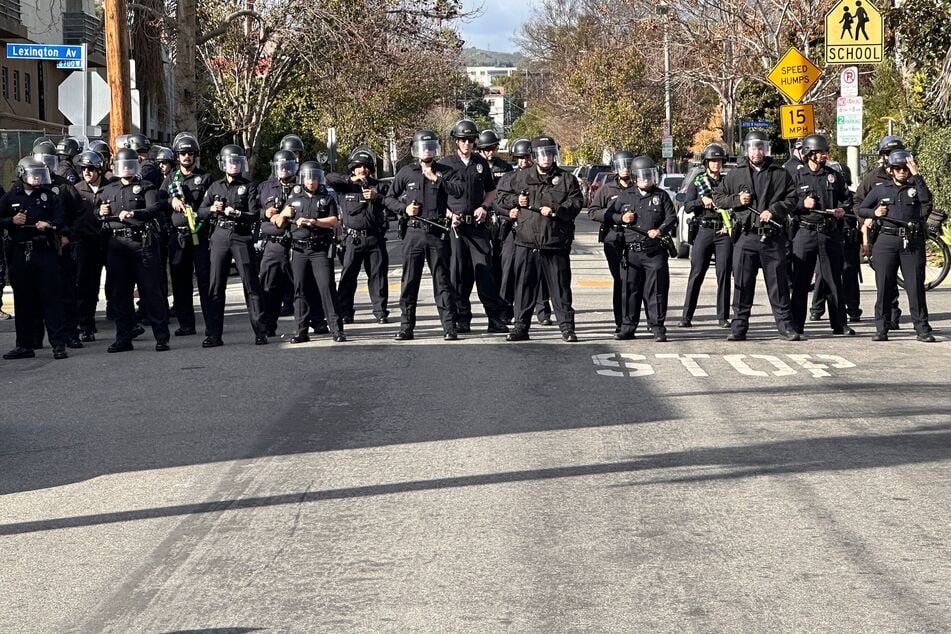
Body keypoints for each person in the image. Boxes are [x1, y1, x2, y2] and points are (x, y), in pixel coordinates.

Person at [713, 130, 799, 341]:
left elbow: (792, 198)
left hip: (772, 237)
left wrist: (776, 210)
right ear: (746, 150)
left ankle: (786, 327)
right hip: (746, 236)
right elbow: (718, 198)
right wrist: (737, 200)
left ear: (766, 149)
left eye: (760, 147)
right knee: (742, 283)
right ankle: (738, 327)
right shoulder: (736, 173)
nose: (757, 152)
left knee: (778, 285)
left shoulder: (779, 173)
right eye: (753, 147)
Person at [497, 135, 583, 342]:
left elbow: (577, 203)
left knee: (560, 289)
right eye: (542, 154)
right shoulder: (519, 177)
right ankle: (521, 327)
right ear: (534, 156)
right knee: (524, 287)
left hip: (555, 243)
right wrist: (515, 200)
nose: (547, 158)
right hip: (526, 242)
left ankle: (567, 328)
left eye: (550, 153)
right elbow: (500, 197)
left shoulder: (566, 178)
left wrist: (555, 210)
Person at [384, 129, 465, 341]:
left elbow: (458, 191)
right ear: (415, 150)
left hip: (437, 233)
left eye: (430, 147)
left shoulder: (445, 170)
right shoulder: (407, 172)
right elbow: (389, 198)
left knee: (442, 280)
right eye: (423, 148)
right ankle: (406, 327)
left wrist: (436, 179)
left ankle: (449, 327)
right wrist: (404, 209)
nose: (427, 151)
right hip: (413, 232)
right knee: (410, 281)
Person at [96, 148, 171, 352]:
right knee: (120, 294)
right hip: (117, 246)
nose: (126, 169)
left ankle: (161, 337)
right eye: (123, 165)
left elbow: (154, 208)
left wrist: (134, 213)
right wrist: (100, 211)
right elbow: (97, 213)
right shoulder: (108, 190)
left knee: (150, 291)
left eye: (130, 165)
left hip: (141, 244)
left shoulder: (146, 187)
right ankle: (124, 337)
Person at [858, 150, 937, 342]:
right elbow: (861, 208)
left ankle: (922, 329)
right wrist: (875, 213)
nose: (902, 171)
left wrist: (917, 174)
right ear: (891, 170)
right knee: (884, 286)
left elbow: (927, 199)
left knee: (915, 286)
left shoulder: (916, 187)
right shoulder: (880, 189)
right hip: (886, 241)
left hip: (911, 242)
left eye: (905, 168)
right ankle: (881, 328)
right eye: (898, 168)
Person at [439, 119, 509, 334]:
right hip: (456, 228)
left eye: (470, 140)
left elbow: (491, 190)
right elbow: (436, 195)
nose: (467, 143)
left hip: (477, 226)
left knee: (485, 272)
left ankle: (494, 319)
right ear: (456, 141)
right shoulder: (445, 164)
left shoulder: (480, 163)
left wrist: (485, 207)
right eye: (463, 140)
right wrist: (449, 214)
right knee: (458, 274)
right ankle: (462, 318)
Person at [198, 144, 269, 347]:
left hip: (241, 236)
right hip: (220, 234)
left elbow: (254, 215)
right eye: (231, 162)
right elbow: (200, 211)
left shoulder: (249, 186)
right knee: (215, 286)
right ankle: (213, 334)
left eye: (238, 162)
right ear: (223, 164)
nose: (234, 165)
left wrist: (236, 213)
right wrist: (213, 208)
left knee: (251, 284)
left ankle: (260, 331)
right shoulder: (215, 186)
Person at [0, 158, 68, 360]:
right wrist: (11, 221)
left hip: (44, 251)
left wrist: (48, 225)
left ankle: (58, 344)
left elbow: (61, 219)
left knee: (51, 299)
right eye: (33, 174)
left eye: (40, 174)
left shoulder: (49, 196)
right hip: (20, 253)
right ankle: (24, 344)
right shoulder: (11, 196)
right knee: (23, 301)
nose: (37, 178)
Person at [606, 156, 677, 342]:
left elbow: (671, 218)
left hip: (654, 251)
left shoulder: (661, 196)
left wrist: (660, 230)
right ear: (636, 177)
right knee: (629, 290)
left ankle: (657, 326)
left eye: (650, 175)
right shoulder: (625, 196)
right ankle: (628, 327)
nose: (647, 179)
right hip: (631, 252)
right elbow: (609, 215)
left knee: (656, 291)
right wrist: (622, 218)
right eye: (643, 176)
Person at [788, 134, 854, 336]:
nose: (824, 155)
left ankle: (839, 324)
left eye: (825, 152)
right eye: (819, 152)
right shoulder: (796, 177)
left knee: (834, 279)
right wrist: (802, 204)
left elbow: (847, 199)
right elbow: (785, 204)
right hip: (805, 232)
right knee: (801, 281)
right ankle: (796, 325)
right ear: (809, 153)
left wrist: (842, 210)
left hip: (829, 233)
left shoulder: (833, 176)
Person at [327, 147, 390, 324]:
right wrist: (350, 180)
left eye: (365, 167)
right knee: (348, 277)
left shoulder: (379, 186)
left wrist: (376, 197)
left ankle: (380, 312)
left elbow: (392, 200)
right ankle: (345, 312)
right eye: (359, 166)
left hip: (374, 238)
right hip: (352, 239)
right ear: (353, 168)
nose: (362, 170)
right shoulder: (345, 186)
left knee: (378, 277)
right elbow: (329, 178)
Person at [494, 138, 553, 326]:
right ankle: (505, 310)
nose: (524, 161)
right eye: (520, 158)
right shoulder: (509, 178)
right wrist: (510, 210)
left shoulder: (544, 177)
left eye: (527, 157)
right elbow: (498, 200)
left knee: (541, 271)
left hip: (538, 230)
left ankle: (543, 311)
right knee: (509, 269)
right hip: (514, 230)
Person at [286, 161, 346, 343]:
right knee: (300, 289)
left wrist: (314, 222)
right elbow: (282, 218)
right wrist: (287, 217)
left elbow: (334, 220)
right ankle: (301, 330)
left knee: (326, 287)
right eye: (308, 178)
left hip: (319, 248)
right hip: (299, 248)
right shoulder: (293, 198)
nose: (311, 181)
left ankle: (337, 329)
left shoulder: (326, 198)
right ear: (302, 179)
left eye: (314, 178)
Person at [163, 133, 213, 337]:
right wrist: (171, 202)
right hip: (178, 236)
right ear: (177, 155)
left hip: (200, 234)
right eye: (182, 153)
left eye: (190, 153)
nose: (186, 157)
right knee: (180, 281)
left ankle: (212, 323)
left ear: (195, 156)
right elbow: (158, 199)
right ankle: (186, 324)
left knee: (204, 279)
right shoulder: (171, 178)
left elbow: (210, 204)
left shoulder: (206, 177)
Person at [679, 143, 732, 328]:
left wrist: (729, 225)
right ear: (706, 163)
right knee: (697, 273)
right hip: (704, 229)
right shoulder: (698, 182)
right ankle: (686, 317)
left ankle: (723, 317)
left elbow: (735, 206)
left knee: (724, 274)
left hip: (723, 231)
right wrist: (701, 201)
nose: (716, 164)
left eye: (718, 160)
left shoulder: (727, 182)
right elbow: (687, 206)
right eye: (712, 161)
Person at [589, 150, 636, 331]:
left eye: (628, 165)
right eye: (621, 166)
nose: (625, 169)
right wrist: (616, 217)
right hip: (614, 238)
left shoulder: (638, 187)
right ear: (616, 168)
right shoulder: (607, 189)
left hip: (635, 238)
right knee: (621, 279)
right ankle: (620, 321)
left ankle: (637, 318)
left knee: (636, 280)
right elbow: (593, 212)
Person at [72, 150, 113, 342]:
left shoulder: (111, 187)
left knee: (118, 282)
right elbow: (69, 216)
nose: (86, 172)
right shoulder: (76, 189)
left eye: (90, 168)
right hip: (86, 243)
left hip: (111, 240)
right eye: (83, 169)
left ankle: (123, 322)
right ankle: (86, 325)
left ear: (99, 169)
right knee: (86, 284)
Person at [258, 149, 299, 336]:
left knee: (302, 285)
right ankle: (268, 325)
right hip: (273, 244)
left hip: (296, 243)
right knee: (269, 286)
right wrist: (265, 213)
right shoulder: (265, 187)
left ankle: (310, 323)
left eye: (287, 166)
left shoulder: (301, 185)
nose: (284, 170)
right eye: (280, 166)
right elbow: (254, 210)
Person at [477, 129, 514, 313]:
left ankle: (505, 304)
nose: (490, 152)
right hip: (480, 217)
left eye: (493, 148)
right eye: (486, 149)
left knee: (503, 263)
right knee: (484, 264)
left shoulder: (505, 167)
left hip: (501, 219)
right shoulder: (476, 165)